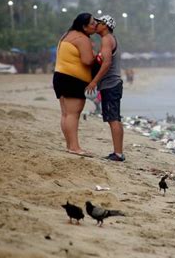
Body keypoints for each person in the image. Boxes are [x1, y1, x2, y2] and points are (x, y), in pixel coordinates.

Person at [53, 12, 97, 157]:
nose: (95, 25)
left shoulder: (67, 35)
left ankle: (69, 145)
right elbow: (87, 61)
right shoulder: (82, 38)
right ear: (83, 26)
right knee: (73, 114)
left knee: (66, 114)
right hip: (73, 79)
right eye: (92, 23)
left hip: (60, 76)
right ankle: (75, 147)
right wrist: (97, 56)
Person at [85, 15, 125, 162]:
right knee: (115, 118)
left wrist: (94, 82)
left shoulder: (107, 39)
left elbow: (107, 63)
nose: (96, 25)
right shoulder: (111, 39)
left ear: (106, 26)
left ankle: (118, 153)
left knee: (113, 119)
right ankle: (119, 152)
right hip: (114, 84)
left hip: (110, 84)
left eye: (99, 23)